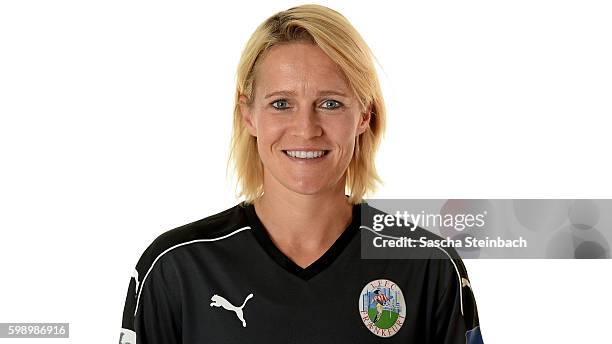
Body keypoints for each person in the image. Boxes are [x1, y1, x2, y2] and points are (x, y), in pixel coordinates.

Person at [120, 4, 483, 343]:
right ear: (249, 115)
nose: (306, 129)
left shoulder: (427, 266)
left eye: (330, 104)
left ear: (364, 115)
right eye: (281, 104)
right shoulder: (176, 267)